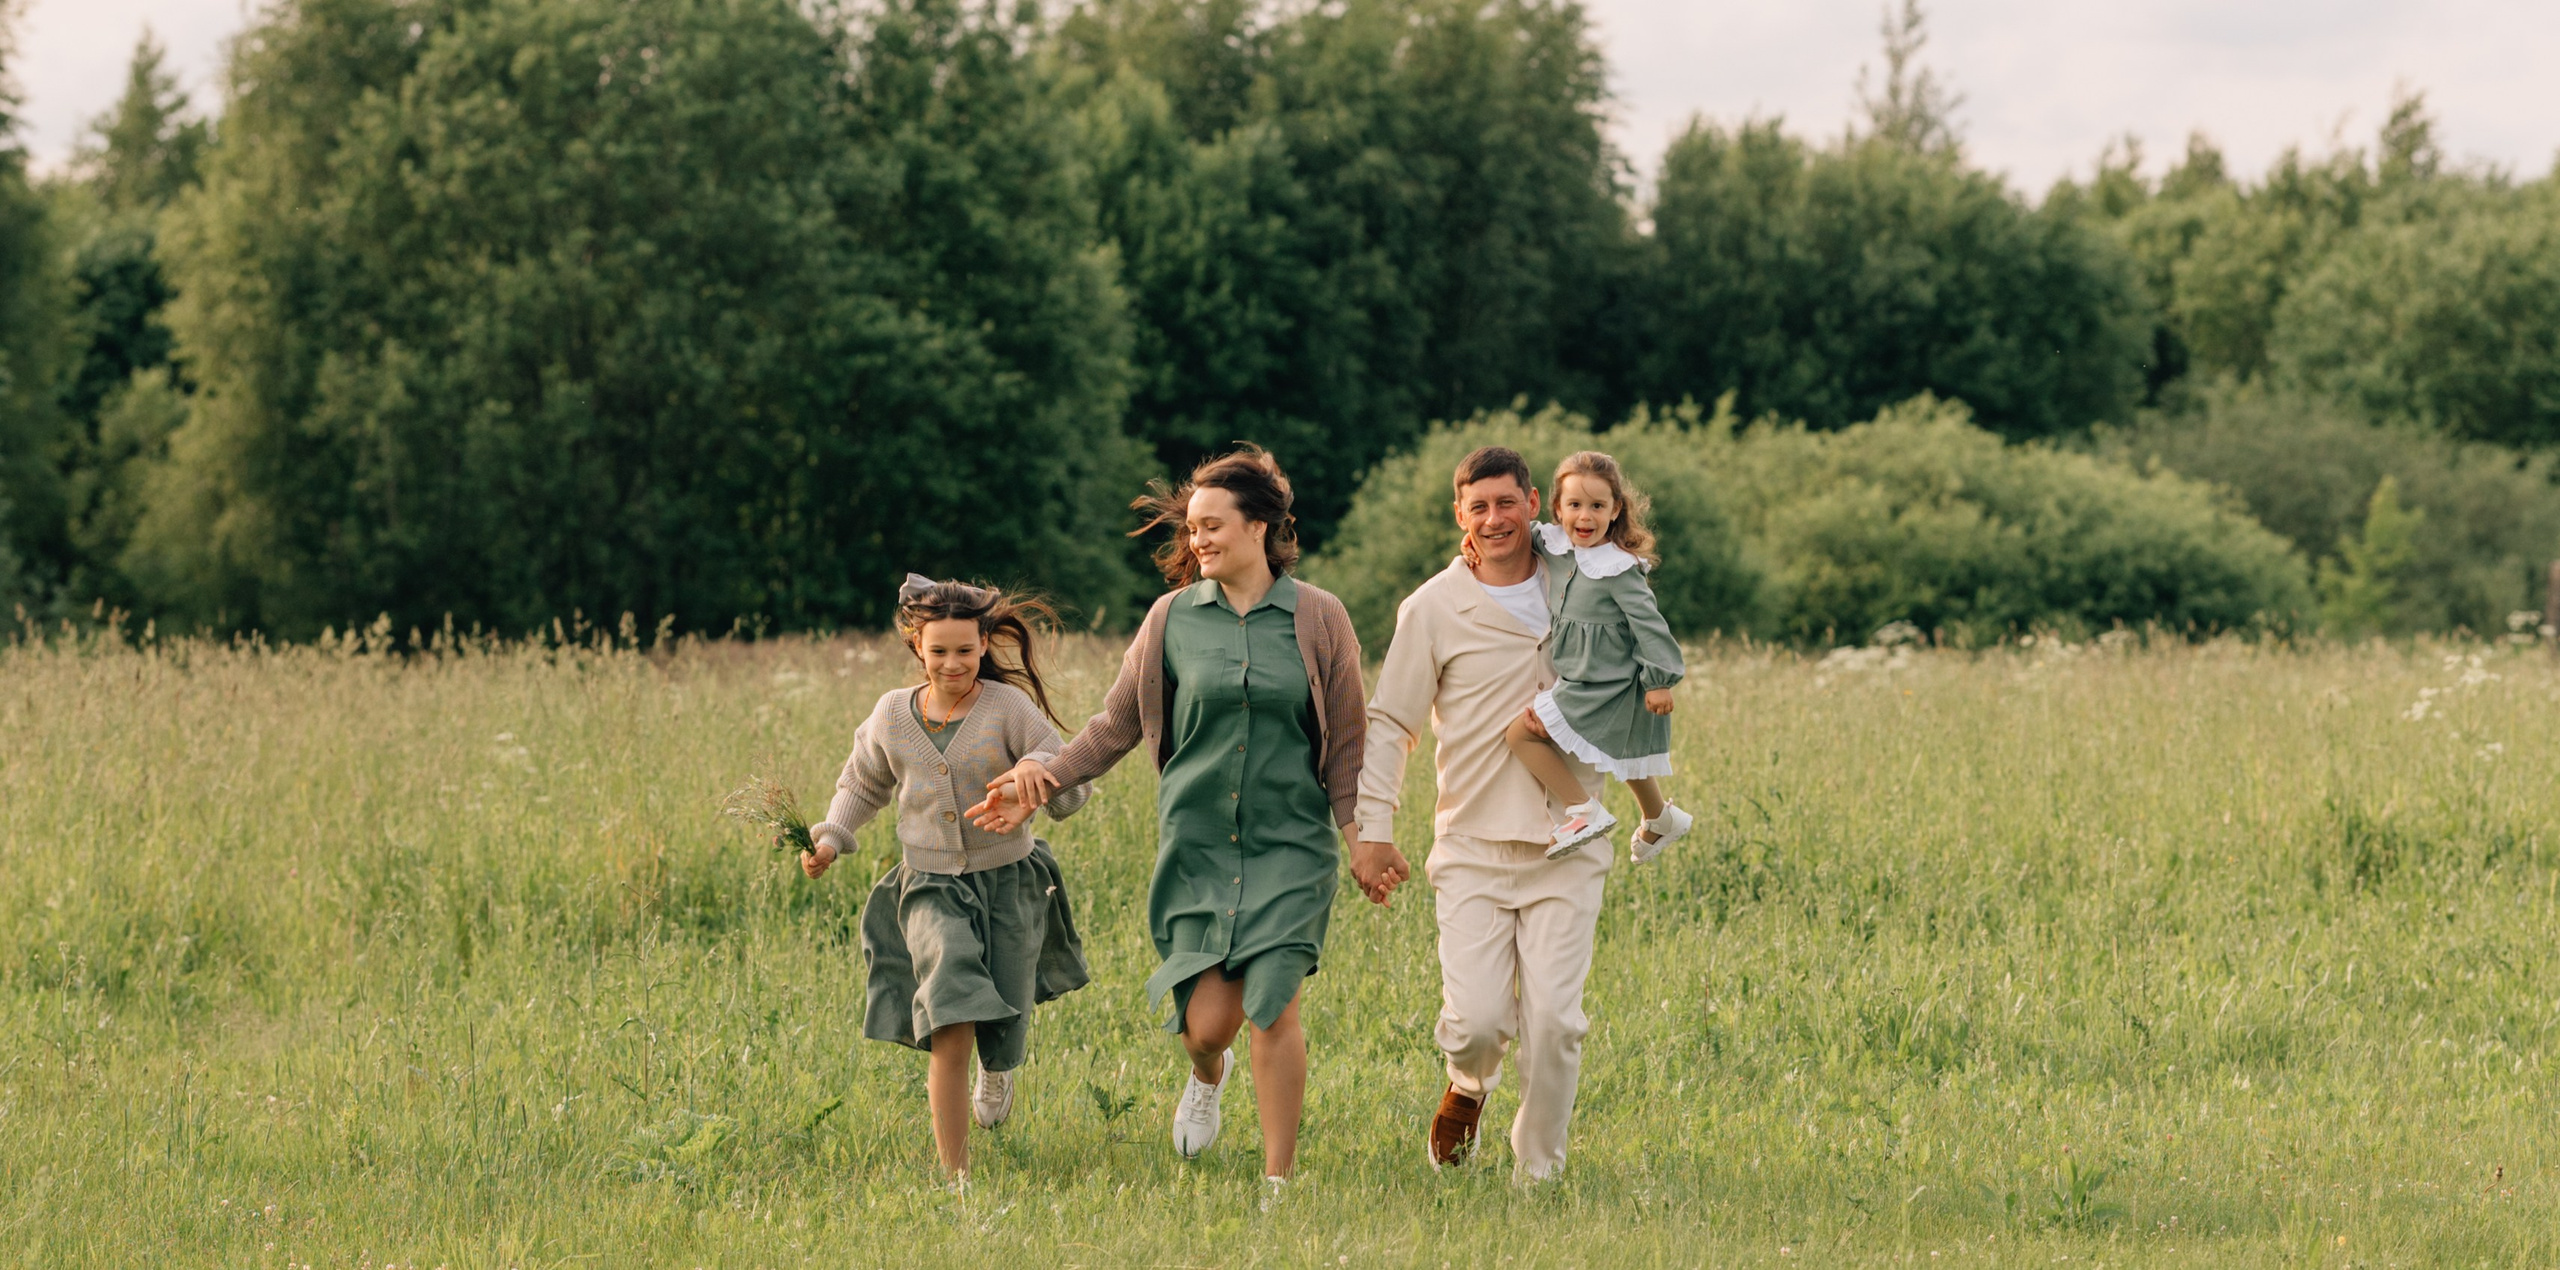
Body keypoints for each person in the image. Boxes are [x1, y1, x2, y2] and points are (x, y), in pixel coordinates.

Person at [971, 446, 1364, 1210]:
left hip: (1292, 846)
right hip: (1198, 846)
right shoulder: (1171, 620)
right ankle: (1204, 1077)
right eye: (1192, 529)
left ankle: (1278, 1183)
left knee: (1273, 1003)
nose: (1198, 542)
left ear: (1261, 525)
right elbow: (1114, 725)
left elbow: (1347, 740)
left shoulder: (1320, 617)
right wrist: (1045, 778)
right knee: (1208, 1025)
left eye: (1212, 526)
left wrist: (1362, 839)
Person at [1350, 444, 1612, 1183]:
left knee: (1556, 1024)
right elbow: (1392, 723)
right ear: (1459, 515)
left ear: (1535, 503)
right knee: (1478, 1025)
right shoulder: (1433, 607)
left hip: (1571, 838)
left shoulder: (1585, 584)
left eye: (1507, 502)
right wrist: (1373, 831)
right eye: (1479, 506)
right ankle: (1468, 1086)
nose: (1495, 518)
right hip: (1471, 846)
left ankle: (1539, 1174)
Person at [800, 575, 1093, 1183]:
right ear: (916, 646)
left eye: (965, 649)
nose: (953, 662)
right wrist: (831, 836)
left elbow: (1060, 765)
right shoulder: (891, 713)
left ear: (985, 643)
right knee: (949, 1018)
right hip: (929, 886)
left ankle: (999, 1065)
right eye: (939, 651)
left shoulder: (1007, 707)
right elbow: (862, 784)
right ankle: (955, 1176)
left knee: (1004, 1011)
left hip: (1008, 880)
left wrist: (1034, 774)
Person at [1503, 449, 1693, 862]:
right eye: (1574, 505)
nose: (1584, 517)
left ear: (1615, 510)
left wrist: (1660, 681)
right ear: (1557, 508)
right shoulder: (1553, 545)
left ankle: (1582, 811)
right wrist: (1475, 543)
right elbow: (1518, 534)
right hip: (1583, 677)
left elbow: (1650, 625)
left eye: (1596, 506)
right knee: (1624, 756)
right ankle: (1659, 818)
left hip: (1610, 682)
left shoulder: (1619, 569)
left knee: (1520, 733)